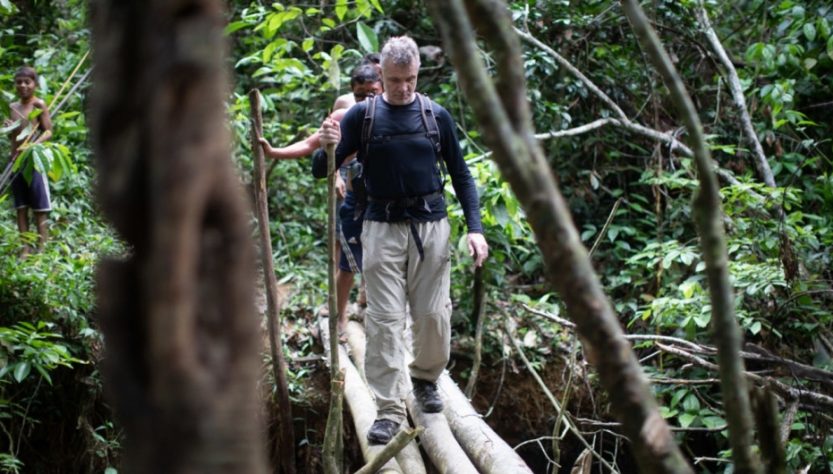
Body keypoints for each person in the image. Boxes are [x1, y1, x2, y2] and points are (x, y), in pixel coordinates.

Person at [318, 36, 489, 445]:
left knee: (433, 315)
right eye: (395, 80)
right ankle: (390, 408)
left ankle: (426, 378)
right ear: (382, 75)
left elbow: (462, 175)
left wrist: (475, 228)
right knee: (385, 320)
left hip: (431, 226)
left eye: (410, 79)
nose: (403, 88)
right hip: (380, 227)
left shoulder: (435, 116)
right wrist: (326, 144)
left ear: (418, 74)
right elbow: (320, 168)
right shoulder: (362, 116)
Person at [259, 63, 383, 341]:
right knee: (348, 266)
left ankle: (372, 314)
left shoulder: (396, 114)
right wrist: (273, 151)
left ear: (383, 88)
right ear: (353, 93)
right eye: (361, 94)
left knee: (382, 264)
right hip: (356, 201)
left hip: (385, 206)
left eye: (373, 92)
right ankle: (338, 319)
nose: (367, 100)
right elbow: (309, 144)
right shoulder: (344, 116)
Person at [5, 66, 53, 256]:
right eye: (19, 82)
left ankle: (42, 248)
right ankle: (25, 247)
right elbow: (14, 136)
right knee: (21, 207)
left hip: (34, 161)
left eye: (27, 82)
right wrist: (8, 127)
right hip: (16, 160)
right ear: (15, 84)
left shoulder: (39, 104)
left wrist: (33, 145)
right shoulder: (12, 107)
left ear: (34, 84)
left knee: (40, 207)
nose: (23, 85)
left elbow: (48, 131)